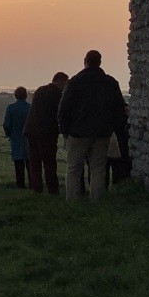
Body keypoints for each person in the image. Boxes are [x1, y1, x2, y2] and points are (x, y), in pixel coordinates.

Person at [58, 50, 127, 202]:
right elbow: (119, 109)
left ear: (85, 61)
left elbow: (64, 108)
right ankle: (96, 201)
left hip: (78, 132)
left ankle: (72, 201)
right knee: (98, 169)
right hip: (102, 132)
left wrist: (64, 130)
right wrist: (117, 129)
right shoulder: (110, 82)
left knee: (74, 168)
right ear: (100, 62)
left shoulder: (74, 82)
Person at [24, 72, 68, 195]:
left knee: (35, 162)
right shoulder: (57, 95)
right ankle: (53, 190)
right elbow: (59, 114)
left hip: (31, 130)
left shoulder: (40, 90)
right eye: (65, 84)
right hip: (47, 133)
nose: (65, 87)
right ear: (60, 82)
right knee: (49, 163)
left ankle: (37, 189)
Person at [2, 87, 32, 188]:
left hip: (16, 137)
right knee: (30, 162)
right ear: (26, 95)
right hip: (29, 138)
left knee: (18, 162)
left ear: (15, 95)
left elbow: (6, 124)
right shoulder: (30, 107)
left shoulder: (11, 108)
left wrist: (8, 133)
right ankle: (33, 183)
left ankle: (20, 184)